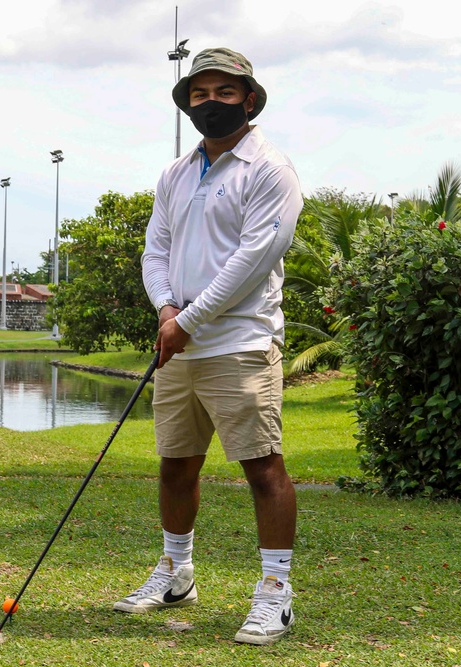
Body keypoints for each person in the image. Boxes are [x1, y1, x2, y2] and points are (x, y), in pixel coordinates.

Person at [113, 47, 302, 646]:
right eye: (200, 94)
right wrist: (168, 309)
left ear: (249, 98)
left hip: (241, 341)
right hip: (182, 343)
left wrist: (189, 317)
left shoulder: (270, 169)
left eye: (224, 92)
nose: (211, 102)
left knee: (261, 466)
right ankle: (175, 573)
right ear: (189, 103)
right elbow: (155, 251)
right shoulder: (174, 172)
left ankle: (275, 592)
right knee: (175, 464)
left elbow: (253, 260)